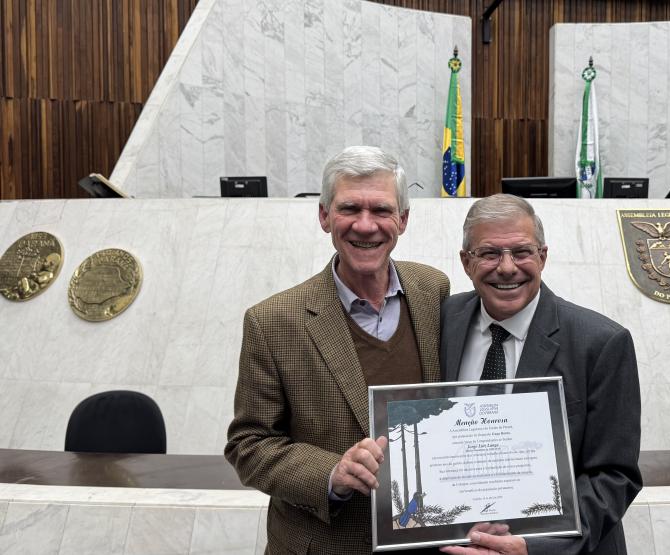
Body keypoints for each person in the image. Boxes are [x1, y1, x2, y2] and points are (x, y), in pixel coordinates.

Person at [225, 146, 450, 554]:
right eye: (350, 209)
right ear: (325, 216)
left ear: (402, 219)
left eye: (381, 210)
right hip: (326, 544)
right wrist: (331, 473)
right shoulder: (273, 321)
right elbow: (249, 444)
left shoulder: (433, 290)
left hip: (428, 540)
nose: (366, 226)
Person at [439, 194, 642, 555]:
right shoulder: (439, 323)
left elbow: (614, 475)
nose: (506, 268)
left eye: (521, 252)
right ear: (466, 262)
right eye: (489, 253)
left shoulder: (601, 343)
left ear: (542, 257)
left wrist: (536, 547)